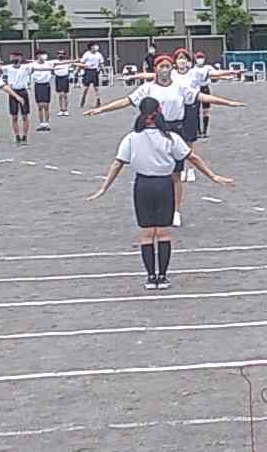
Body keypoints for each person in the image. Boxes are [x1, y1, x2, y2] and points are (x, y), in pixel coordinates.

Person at [88, 97, 236, 289]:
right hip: (164, 185)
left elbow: (118, 163)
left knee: (147, 234)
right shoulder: (170, 138)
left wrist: (104, 188)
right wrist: (213, 176)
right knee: (164, 233)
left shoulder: (131, 138)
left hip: (143, 186)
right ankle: (163, 277)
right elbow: (193, 157)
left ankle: (151, 277)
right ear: (159, 112)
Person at [88, 55, 243, 227]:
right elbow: (127, 101)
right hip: (152, 129)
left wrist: (228, 103)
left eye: (168, 66)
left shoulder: (180, 87)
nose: (164, 70)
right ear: (155, 69)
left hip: (175, 128)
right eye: (161, 66)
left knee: (176, 173)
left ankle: (175, 210)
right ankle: (155, 207)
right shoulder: (147, 88)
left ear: (172, 68)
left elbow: (201, 97)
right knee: (156, 169)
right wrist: (101, 109)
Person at [1, 51, 36, 145]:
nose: (15, 59)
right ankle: (17, 136)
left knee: (25, 116)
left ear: (21, 58)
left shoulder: (26, 67)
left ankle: (24, 136)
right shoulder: (7, 68)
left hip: (23, 91)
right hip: (12, 92)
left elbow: (41, 67)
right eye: (13, 57)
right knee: (14, 116)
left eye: (17, 57)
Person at [29, 50, 56, 132]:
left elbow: (56, 67)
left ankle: (47, 123)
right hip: (38, 85)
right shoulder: (33, 64)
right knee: (40, 106)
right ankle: (41, 124)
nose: (43, 56)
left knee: (46, 105)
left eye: (44, 54)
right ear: (37, 56)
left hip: (46, 84)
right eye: (41, 55)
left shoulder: (49, 63)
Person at [79, 43, 108, 109]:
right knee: (86, 88)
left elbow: (101, 63)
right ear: (91, 47)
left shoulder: (99, 54)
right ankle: (83, 100)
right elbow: (82, 63)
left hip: (95, 71)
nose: (96, 47)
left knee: (96, 88)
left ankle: (98, 101)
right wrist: (77, 70)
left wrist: (104, 72)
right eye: (94, 46)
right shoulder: (87, 54)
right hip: (88, 71)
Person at [52, 50, 76, 117]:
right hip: (58, 78)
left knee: (64, 95)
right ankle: (61, 110)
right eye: (59, 54)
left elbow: (72, 68)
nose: (61, 55)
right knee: (60, 95)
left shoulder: (67, 62)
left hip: (65, 78)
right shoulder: (54, 62)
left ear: (65, 55)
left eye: (62, 54)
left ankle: (65, 110)